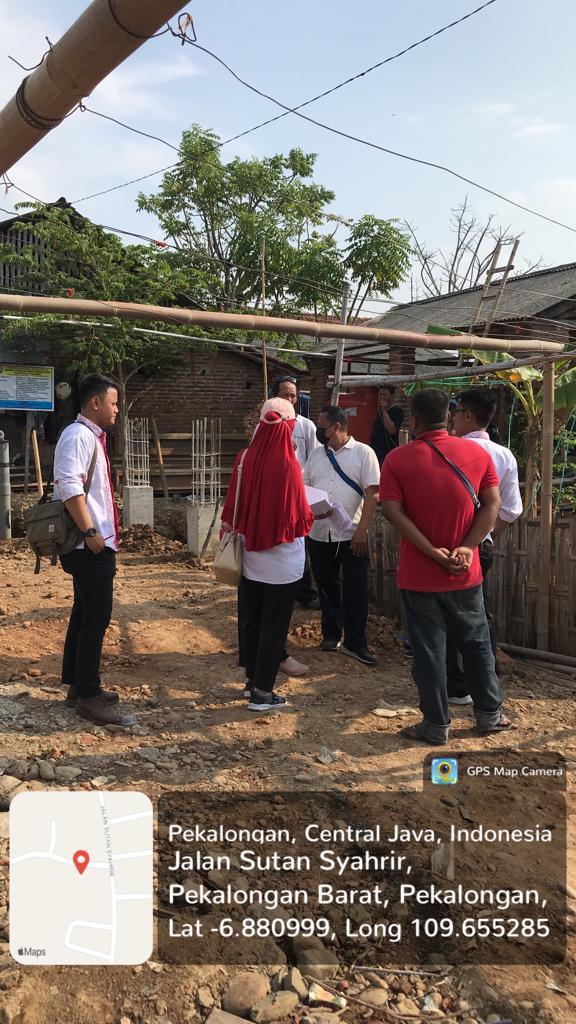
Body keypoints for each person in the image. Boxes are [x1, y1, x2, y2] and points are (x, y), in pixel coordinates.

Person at [379, 388, 512, 745]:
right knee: (477, 643)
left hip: (420, 575)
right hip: (465, 572)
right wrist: (466, 548)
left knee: (428, 651)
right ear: (450, 416)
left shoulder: (397, 459)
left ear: (415, 420)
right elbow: (492, 504)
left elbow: (392, 510)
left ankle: (436, 725)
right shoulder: (475, 453)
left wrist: (431, 551)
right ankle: (489, 715)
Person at [221, 398, 314, 712]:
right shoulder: (288, 463)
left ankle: (251, 682)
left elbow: (232, 503)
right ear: (288, 426)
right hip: (282, 559)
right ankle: (263, 692)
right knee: (274, 625)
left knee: (251, 620)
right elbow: (298, 516)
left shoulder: (245, 456)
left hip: (248, 555)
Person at [53, 374, 127, 727]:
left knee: (84, 613)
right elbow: (68, 486)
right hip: (88, 545)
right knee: (96, 617)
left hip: (93, 543)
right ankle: (88, 697)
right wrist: (91, 532)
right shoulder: (78, 435)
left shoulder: (89, 437)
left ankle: (77, 686)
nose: (116, 410)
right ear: (94, 403)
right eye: (113, 403)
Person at [447, 388, 523, 705]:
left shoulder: (449, 450)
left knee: (450, 613)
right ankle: (486, 679)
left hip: (448, 547)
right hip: (483, 547)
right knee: (479, 610)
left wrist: (466, 540)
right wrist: (483, 536)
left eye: (456, 410)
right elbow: (511, 510)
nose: (451, 416)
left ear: (468, 415)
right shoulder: (504, 455)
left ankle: (458, 685)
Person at [304, 406, 380, 666]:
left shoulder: (363, 453)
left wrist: (362, 531)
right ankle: (331, 633)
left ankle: (356, 642)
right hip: (319, 532)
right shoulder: (315, 455)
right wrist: (313, 510)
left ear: (336, 427)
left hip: (351, 534)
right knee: (326, 585)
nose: (318, 431)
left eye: (321, 426)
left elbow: (373, 494)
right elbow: (305, 488)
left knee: (356, 588)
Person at [272, 375, 320, 614]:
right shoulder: (267, 424)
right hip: (273, 494)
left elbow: (315, 459)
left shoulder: (306, 426)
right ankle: (279, 587)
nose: (290, 399)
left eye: (293, 395)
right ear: (274, 396)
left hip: (299, 494)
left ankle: (303, 591)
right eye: (285, 394)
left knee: (301, 542)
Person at [370, 386, 404, 466]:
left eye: (385, 394)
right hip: (376, 452)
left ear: (392, 396)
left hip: (386, 452)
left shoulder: (397, 411)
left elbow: (392, 430)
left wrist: (385, 411)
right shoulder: (380, 411)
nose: (382, 397)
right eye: (380, 394)